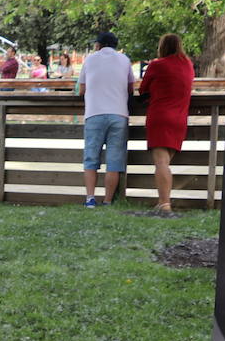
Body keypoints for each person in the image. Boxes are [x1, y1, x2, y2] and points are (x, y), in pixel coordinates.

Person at [139, 32, 195, 215]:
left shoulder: (157, 65)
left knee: (161, 163)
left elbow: (143, 89)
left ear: (162, 47)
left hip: (160, 116)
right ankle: (162, 203)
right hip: (179, 119)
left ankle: (164, 204)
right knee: (165, 161)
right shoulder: (188, 65)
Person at [77, 30, 135, 207]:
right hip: (119, 114)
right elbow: (131, 88)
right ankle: (108, 200)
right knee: (114, 161)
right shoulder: (124, 60)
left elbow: (81, 90)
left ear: (98, 45)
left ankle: (90, 198)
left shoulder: (90, 60)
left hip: (94, 113)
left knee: (91, 158)